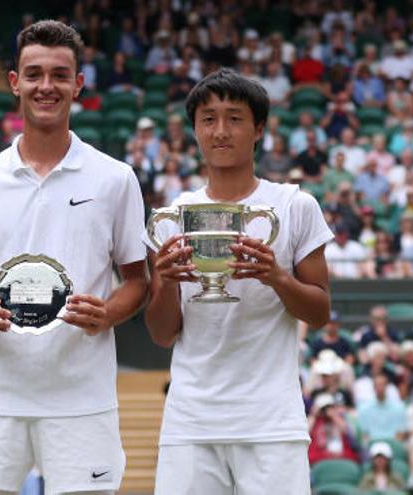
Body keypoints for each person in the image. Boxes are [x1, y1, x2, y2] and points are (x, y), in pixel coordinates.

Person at [0, 20, 148, 494]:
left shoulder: (115, 179)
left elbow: (138, 279)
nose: (46, 86)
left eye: (60, 75)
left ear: (78, 84)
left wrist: (107, 313)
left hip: (81, 393)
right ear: (15, 82)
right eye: (34, 74)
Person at [145, 69, 331, 494]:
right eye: (208, 119)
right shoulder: (173, 216)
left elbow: (319, 311)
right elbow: (160, 333)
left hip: (271, 422)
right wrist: (165, 280)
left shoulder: (295, 205)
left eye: (235, 118)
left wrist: (276, 277)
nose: (221, 131)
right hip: (191, 420)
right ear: (194, 130)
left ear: (259, 129)